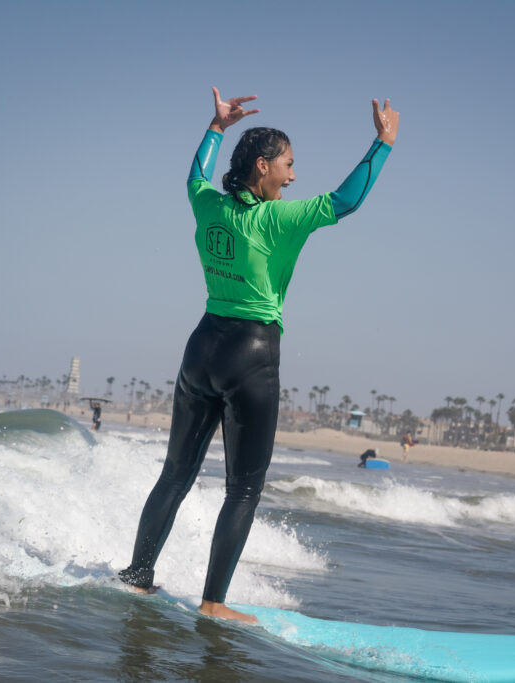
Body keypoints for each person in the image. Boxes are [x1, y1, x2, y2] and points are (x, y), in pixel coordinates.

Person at [118, 87, 399, 623]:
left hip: (201, 347)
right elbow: (346, 201)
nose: (293, 178)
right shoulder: (278, 220)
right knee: (243, 488)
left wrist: (215, 127)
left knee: (175, 473)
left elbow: (194, 176)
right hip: (251, 353)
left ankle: (137, 578)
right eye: (289, 166)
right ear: (264, 167)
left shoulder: (208, 204)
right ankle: (213, 602)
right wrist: (382, 144)